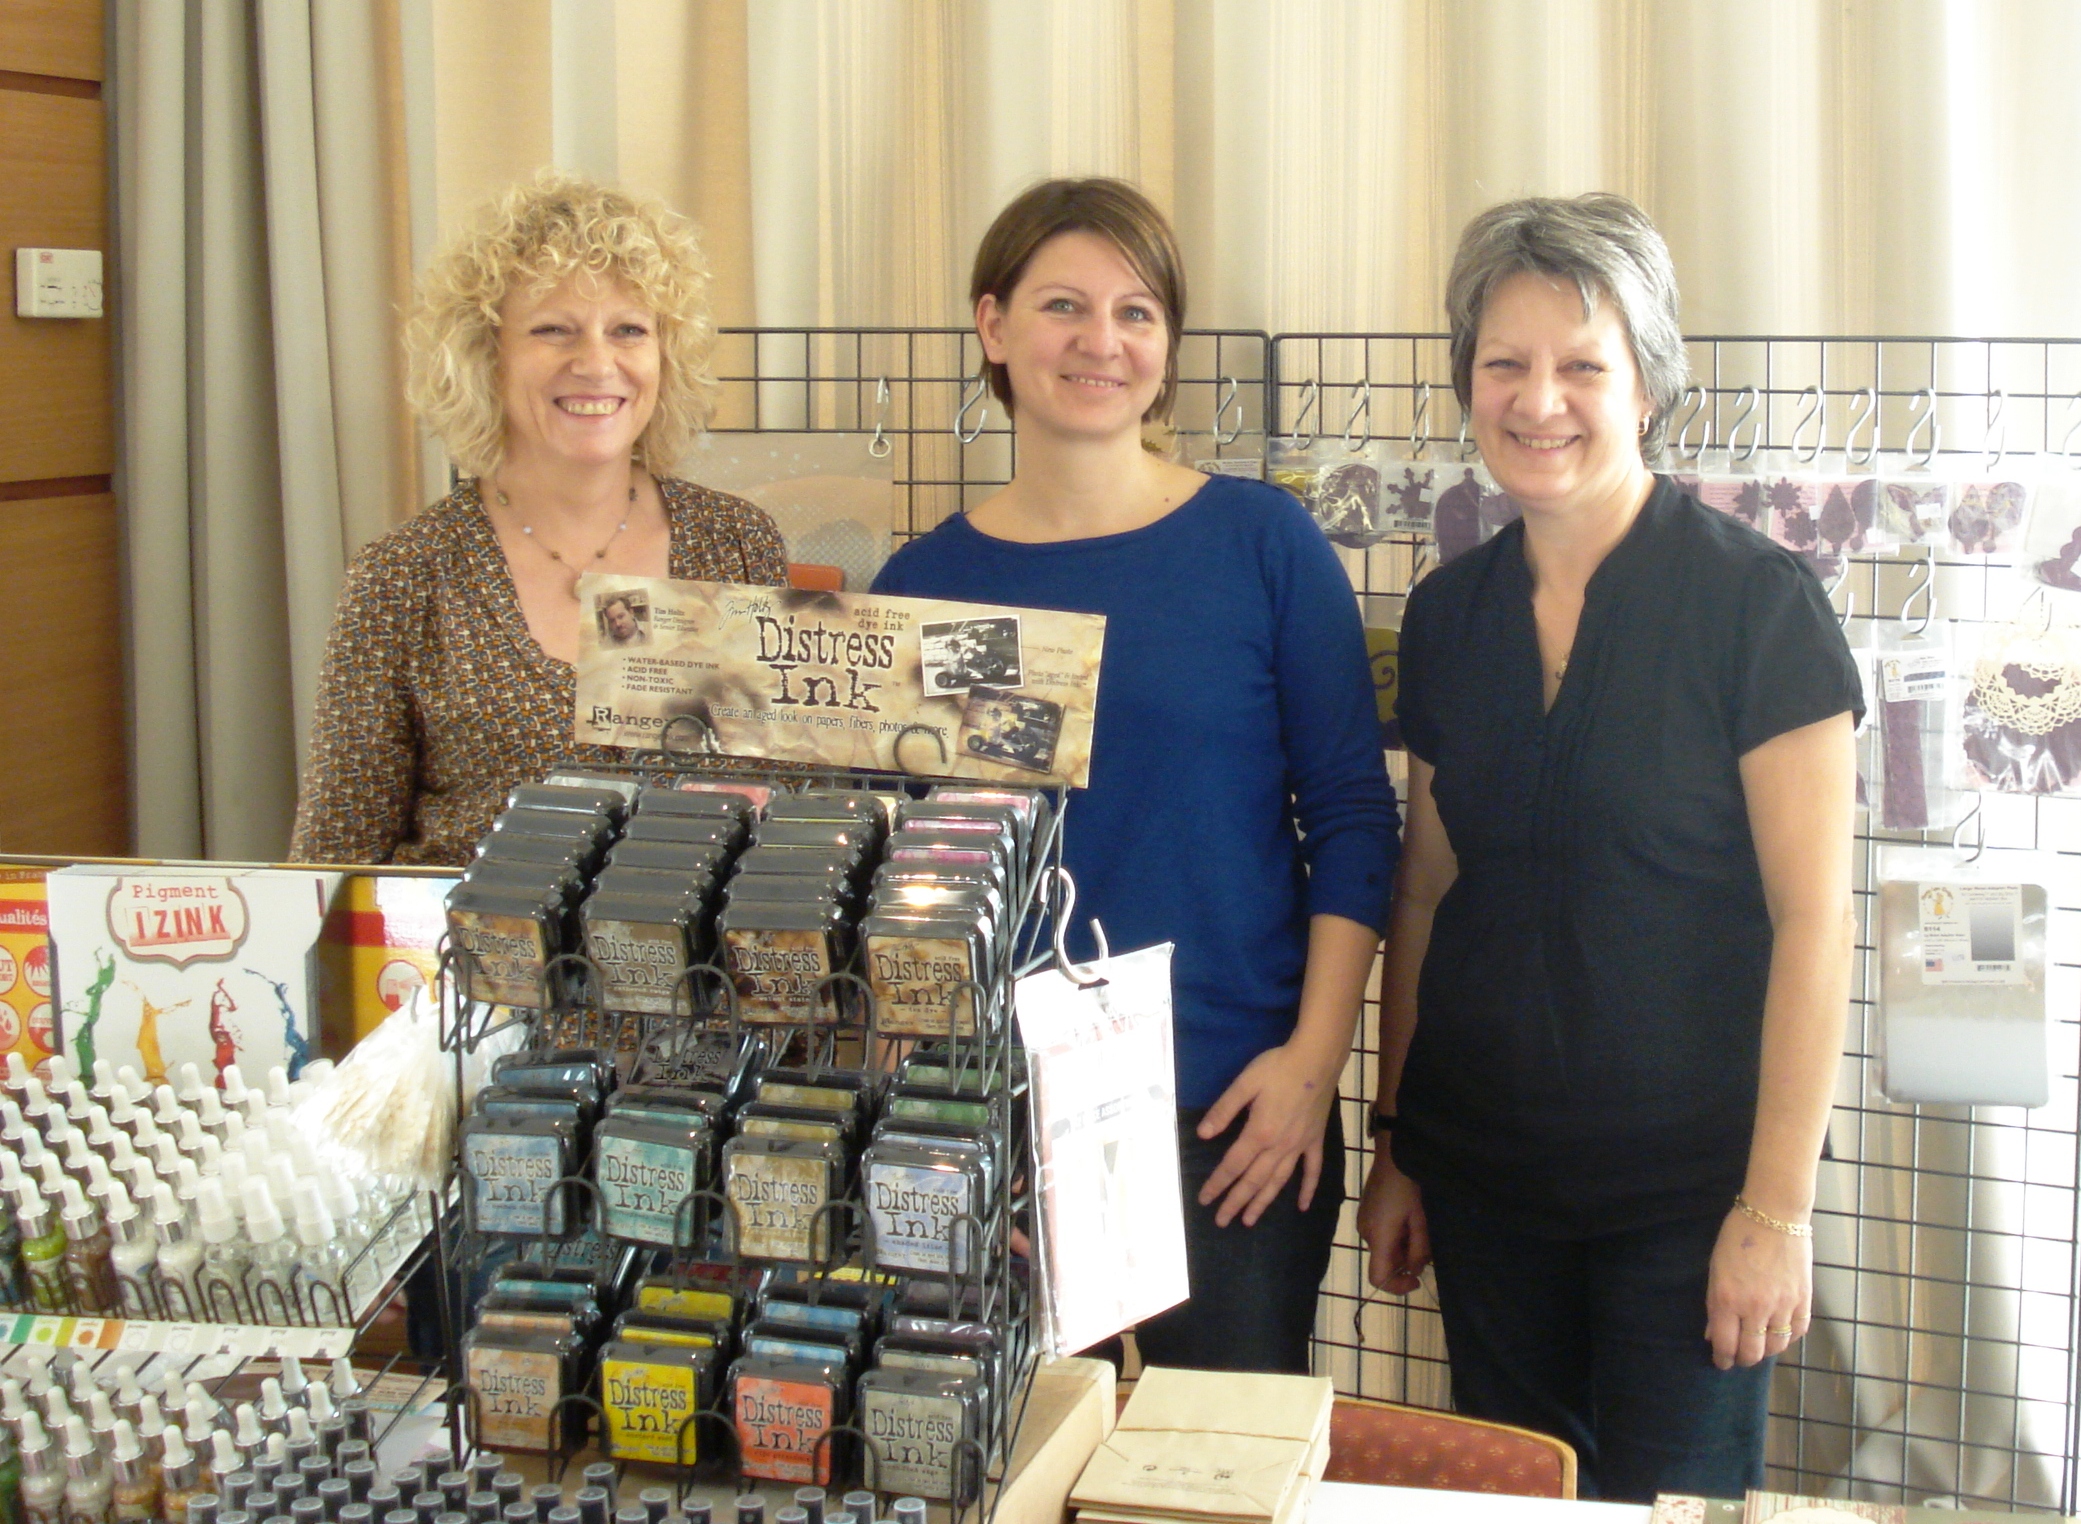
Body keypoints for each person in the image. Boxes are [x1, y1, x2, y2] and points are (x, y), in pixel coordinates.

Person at [1355, 194, 1861, 1500]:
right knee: (1516, 1500)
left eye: (1582, 365)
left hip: (1690, 1207)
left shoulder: (1756, 606)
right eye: (1504, 364)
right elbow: (1425, 897)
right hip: (1485, 1189)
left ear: (1647, 385)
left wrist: (1775, 1212)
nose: (1539, 402)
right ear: (1466, 383)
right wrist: (1396, 1143)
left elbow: (1815, 921)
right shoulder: (1449, 614)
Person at [871, 178, 1401, 1372]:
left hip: (1229, 1118)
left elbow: (1354, 824)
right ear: (992, 325)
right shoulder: (921, 584)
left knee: (1213, 1460)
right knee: (1015, 1455)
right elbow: (906, 875)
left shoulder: (1263, 545)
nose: (1099, 342)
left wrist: (1310, 1067)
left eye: (1135, 312)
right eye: (1062, 305)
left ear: (1166, 343)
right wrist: (932, 1123)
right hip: (997, 1114)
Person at [289, 173, 787, 866]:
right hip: (462, 936)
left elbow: (792, 805)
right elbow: (333, 862)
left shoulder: (737, 543)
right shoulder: (403, 576)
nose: (596, 363)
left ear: (666, 356)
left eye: (628, 330)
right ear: (485, 357)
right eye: (553, 330)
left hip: (689, 936)